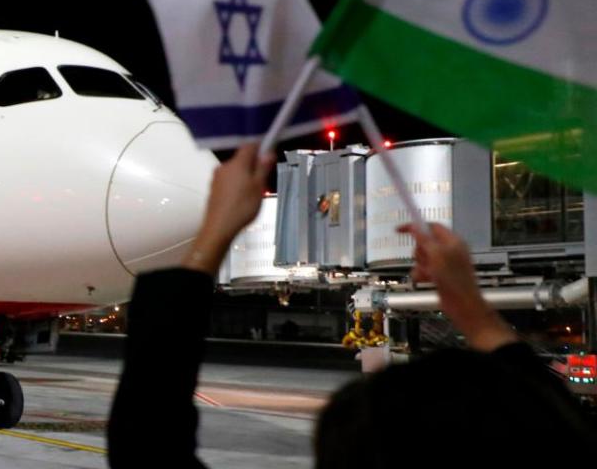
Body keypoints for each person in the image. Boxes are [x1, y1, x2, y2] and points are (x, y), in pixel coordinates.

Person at [107, 144, 593, 468]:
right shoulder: (547, 433)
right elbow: (547, 423)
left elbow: (145, 441)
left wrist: (210, 235)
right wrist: (474, 308)